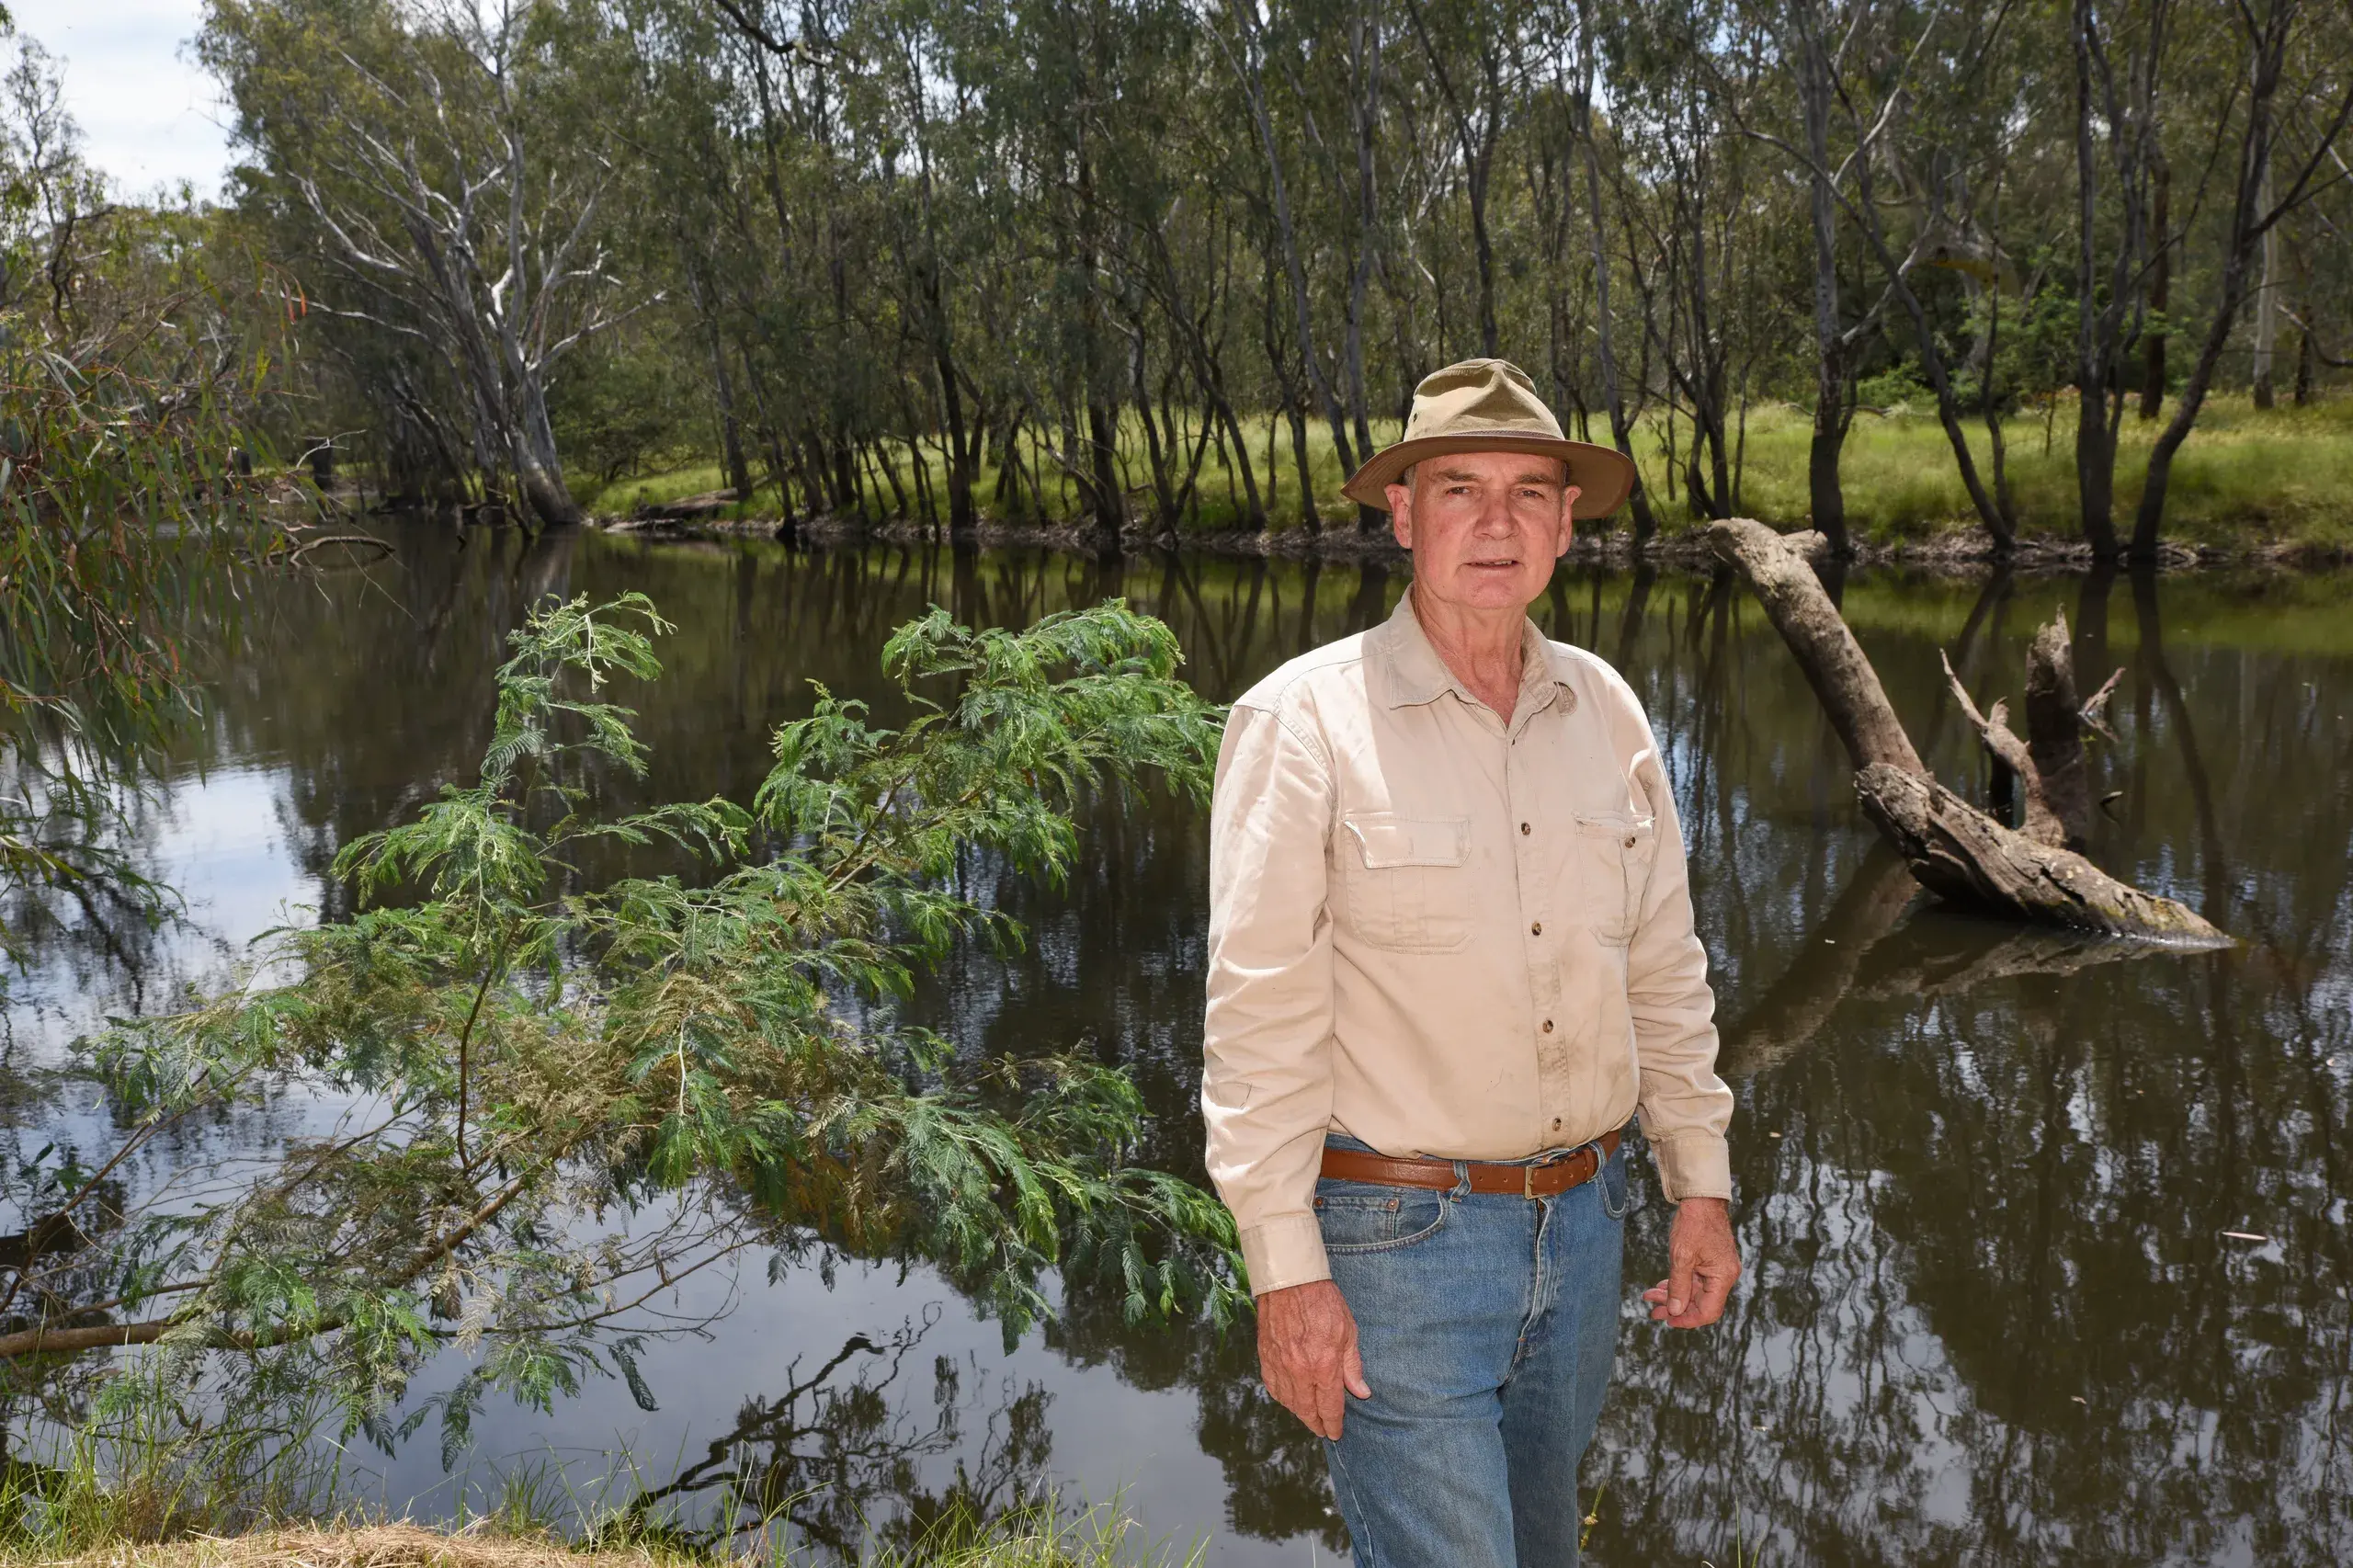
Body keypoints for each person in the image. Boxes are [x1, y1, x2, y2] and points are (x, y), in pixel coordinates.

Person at [1199, 358, 1739, 1567]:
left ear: (1566, 521)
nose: (1498, 523)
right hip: (1396, 1245)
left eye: (1528, 491)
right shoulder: (1303, 721)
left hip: (1587, 1229)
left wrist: (1698, 1181)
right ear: (1403, 515)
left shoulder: (1609, 712)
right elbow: (1258, 1023)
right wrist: (1285, 1271)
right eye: (1460, 489)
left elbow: (1666, 970)